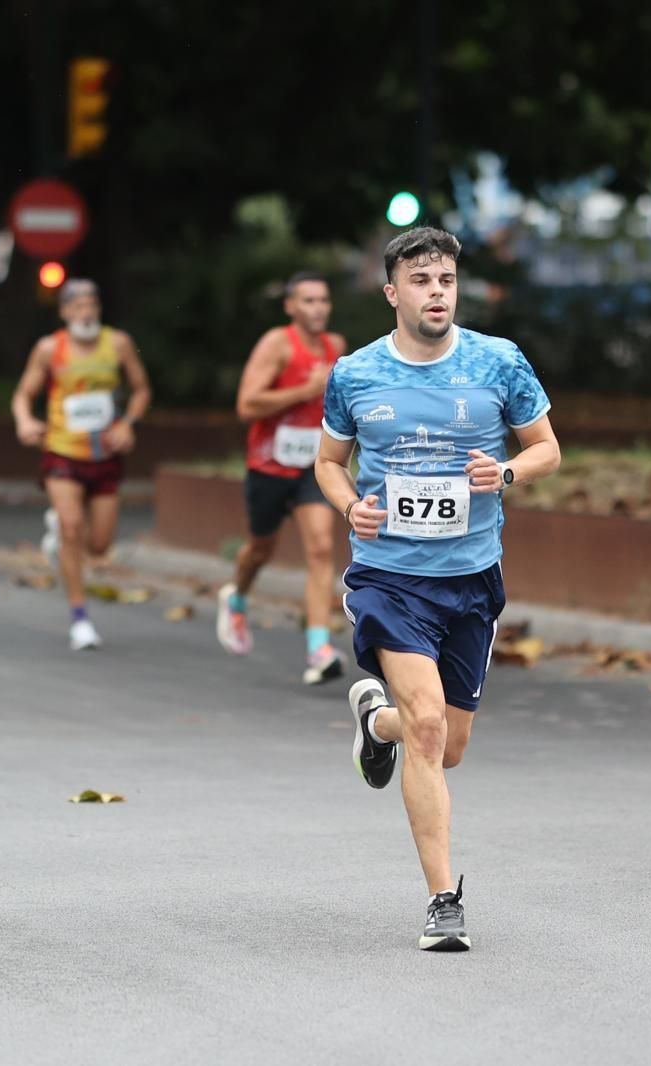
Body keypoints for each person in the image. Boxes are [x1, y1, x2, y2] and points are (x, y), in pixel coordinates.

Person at [315, 227, 561, 951]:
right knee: (427, 725)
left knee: (447, 744)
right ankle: (443, 900)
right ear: (392, 292)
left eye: (446, 280)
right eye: (421, 281)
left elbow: (547, 449)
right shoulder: (356, 373)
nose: (436, 292)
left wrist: (507, 472)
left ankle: (376, 723)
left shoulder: (499, 362)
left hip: (471, 579)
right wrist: (348, 506)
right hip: (389, 577)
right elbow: (329, 462)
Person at [216, 272, 348, 684]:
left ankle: (319, 647)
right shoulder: (277, 344)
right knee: (260, 549)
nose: (318, 308)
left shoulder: (336, 346)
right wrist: (304, 390)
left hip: (313, 465)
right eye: (308, 300)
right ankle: (237, 597)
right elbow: (247, 405)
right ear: (290, 306)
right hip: (269, 466)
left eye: (323, 300)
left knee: (322, 548)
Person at [11, 278, 152, 650]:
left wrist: (127, 423)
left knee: (99, 547)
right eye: (76, 306)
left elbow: (141, 390)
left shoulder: (117, 344)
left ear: (99, 310)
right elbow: (23, 395)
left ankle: (62, 540)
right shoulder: (49, 349)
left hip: (105, 454)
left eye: (91, 305)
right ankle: (80, 619)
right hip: (62, 451)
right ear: (64, 312)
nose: (85, 313)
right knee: (73, 527)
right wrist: (25, 421)